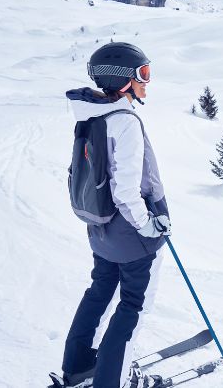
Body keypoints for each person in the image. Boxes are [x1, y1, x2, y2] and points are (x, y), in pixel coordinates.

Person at [60, 42, 172, 388]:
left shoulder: (91, 115)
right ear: (123, 79)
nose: (146, 82)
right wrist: (150, 225)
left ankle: (77, 363)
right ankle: (111, 381)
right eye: (143, 74)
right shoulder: (124, 123)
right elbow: (126, 191)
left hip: (101, 228)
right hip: (132, 234)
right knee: (133, 307)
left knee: (100, 290)